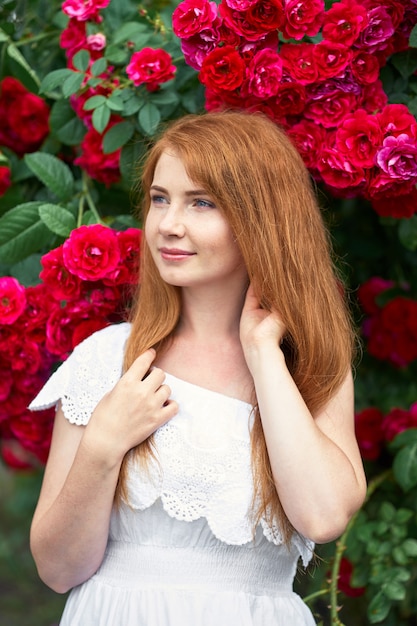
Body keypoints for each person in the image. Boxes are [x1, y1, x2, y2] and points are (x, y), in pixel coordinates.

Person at [29, 110, 367, 626]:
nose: (168, 224)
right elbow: (56, 569)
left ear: (261, 219)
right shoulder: (109, 359)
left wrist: (263, 355)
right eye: (160, 198)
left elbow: (322, 517)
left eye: (201, 203)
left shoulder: (312, 366)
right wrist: (102, 444)